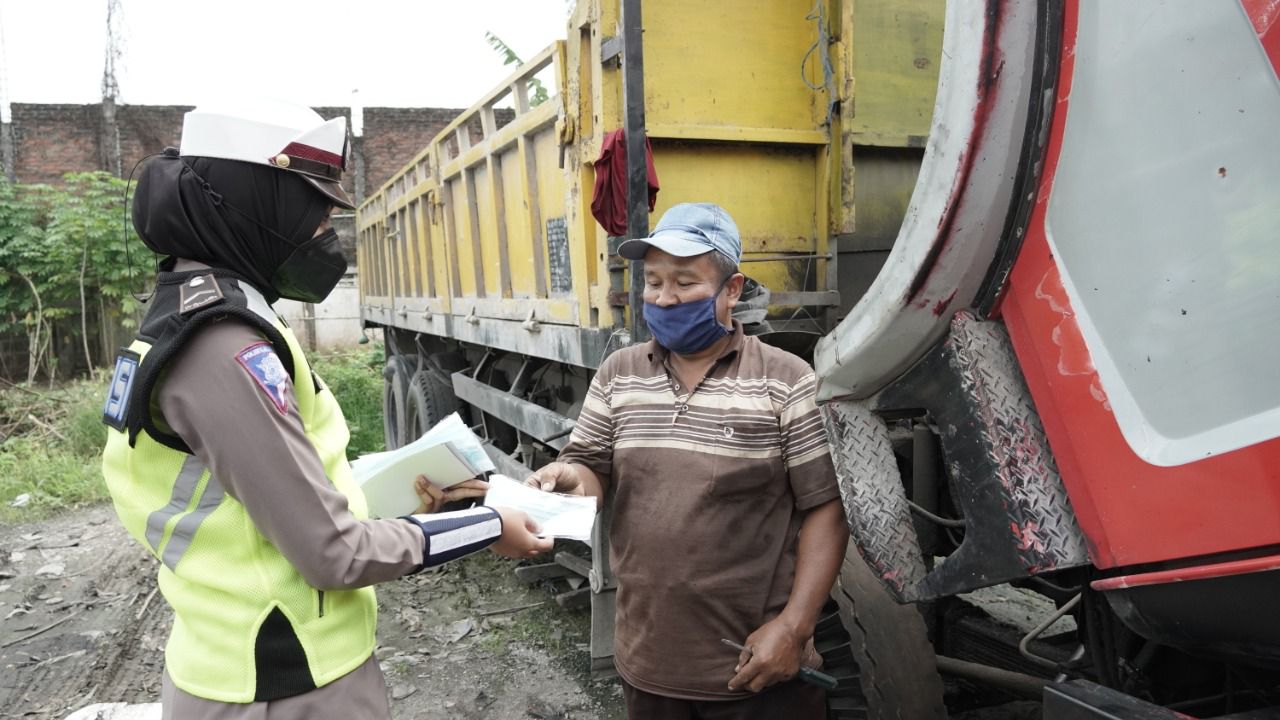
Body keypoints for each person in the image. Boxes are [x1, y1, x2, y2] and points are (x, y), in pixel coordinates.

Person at [100, 99, 552, 719]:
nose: (325, 237)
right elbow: (331, 553)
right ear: (257, 206)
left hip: (259, 664)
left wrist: (392, 502)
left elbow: (257, 494)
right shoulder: (223, 346)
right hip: (284, 682)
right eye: (313, 217)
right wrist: (489, 524)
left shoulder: (200, 313)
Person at [526, 202, 849, 719]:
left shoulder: (786, 380)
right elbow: (590, 469)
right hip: (649, 665)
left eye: (685, 282)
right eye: (653, 282)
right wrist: (568, 477)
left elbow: (826, 508)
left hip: (757, 669)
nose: (664, 298)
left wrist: (794, 627)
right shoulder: (619, 374)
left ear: (733, 290)